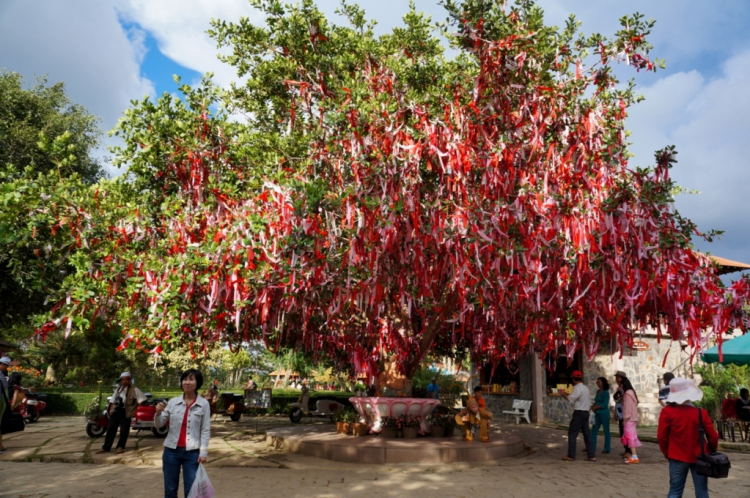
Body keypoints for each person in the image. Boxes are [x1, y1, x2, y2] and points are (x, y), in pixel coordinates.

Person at [657, 377, 719, 498]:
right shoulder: (701, 413)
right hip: (700, 456)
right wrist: (711, 451)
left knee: (675, 492)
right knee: (702, 492)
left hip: (676, 456)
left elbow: (661, 437)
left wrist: (667, 453)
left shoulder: (667, 412)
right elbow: (713, 436)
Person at [155, 368, 211, 498]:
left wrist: (203, 452)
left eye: (191, 379)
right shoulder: (173, 402)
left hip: (192, 454)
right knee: (170, 489)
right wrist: (158, 413)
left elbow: (205, 430)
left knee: (191, 489)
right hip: (171, 452)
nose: (187, 382)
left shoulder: (204, 404)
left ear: (198, 383)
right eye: (185, 379)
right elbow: (159, 424)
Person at [96, 372, 147, 454]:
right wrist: (111, 411)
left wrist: (134, 409)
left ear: (129, 380)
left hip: (125, 412)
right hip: (116, 411)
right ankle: (106, 447)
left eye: (127, 379)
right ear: (121, 381)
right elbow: (112, 401)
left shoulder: (134, 389)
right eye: (123, 379)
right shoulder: (118, 389)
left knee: (124, 430)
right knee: (110, 429)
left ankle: (120, 447)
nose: (125, 381)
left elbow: (142, 399)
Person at [561, 370, 595, 462]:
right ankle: (591, 455)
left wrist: (563, 394)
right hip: (585, 413)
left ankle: (571, 455)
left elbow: (570, 399)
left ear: (573, 378)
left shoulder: (577, 388)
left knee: (572, 434)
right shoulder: (585, 388)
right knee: (587, 435)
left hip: (579, 413)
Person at [620, 375, 641, 464]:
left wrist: (625, 419)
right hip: (633, 417)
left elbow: (627, 408)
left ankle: (634, 456)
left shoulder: (627, 394)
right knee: (632, 436)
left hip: (629, 418)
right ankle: (634, 455)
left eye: (620, 385)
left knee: (630, 437)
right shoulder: (631, 393)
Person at [590, 377, 611, 454]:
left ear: (603, 383)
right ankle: (592, 447)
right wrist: (592, 406)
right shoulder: (598, 391)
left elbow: (605, 404)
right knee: (594, 430)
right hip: (597, 414)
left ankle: (607, 448)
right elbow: (596, 401)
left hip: (604, 413)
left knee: (606, 431)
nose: (597, 383)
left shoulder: (606, 393)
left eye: (599, 382)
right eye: (597, 382)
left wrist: (596, 407)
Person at [613, 371, 629, 457]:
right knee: (622, 433)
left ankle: (629, 450)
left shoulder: (626, 389)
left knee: (626, 433)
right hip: (620, 413)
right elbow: (617, 402)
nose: (616, 380)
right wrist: (616, 412)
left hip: (625, 414)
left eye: (618, 378)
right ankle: (626, 449)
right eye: (616, 378)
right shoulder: (619, 388)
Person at [0, 356, 11, 454]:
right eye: (6, 366)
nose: (6, 368)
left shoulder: (2, 375)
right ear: (2, 364)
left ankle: (1, 446)